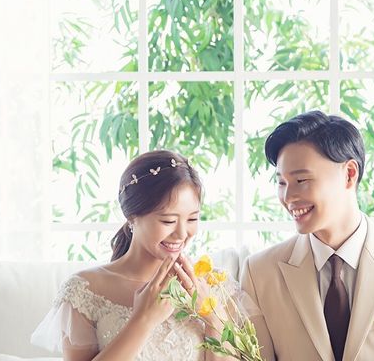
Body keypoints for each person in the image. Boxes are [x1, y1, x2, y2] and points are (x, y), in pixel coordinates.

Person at [241, 111, 374, 361]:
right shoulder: (259, 274)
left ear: (349, 174)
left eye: (301, 180)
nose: (288, 197)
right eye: (281, 183)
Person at [31, 150, 233, 361]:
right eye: (168, 221)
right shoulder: (85, 289)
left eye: (192, 219)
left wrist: (212, 315)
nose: (182, 234)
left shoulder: (213, 285)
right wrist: (143, 320)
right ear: (132, 216)